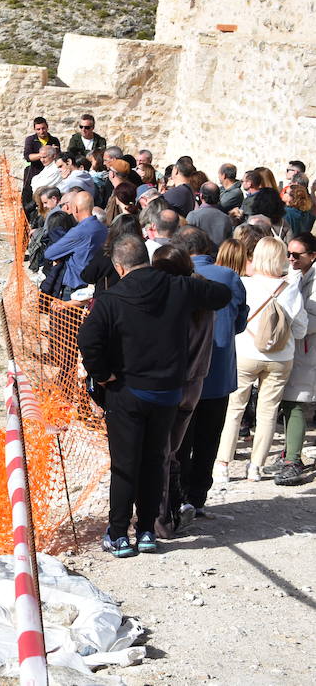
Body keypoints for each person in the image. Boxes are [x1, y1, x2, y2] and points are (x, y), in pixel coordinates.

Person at [78, 234, 230, 557]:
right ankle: (146, 531)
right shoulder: (178, 287)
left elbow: (88, 340)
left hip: (126, 392)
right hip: (167, 393)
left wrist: (104, 376)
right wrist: (188, 282)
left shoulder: (111, 298)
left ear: (120, 267)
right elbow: (221, 294)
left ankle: (119, 534)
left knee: (124, 465)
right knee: (154, 461)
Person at [215, 237, 310, 482]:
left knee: (234, 408)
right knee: (268, 413)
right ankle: (255, 468)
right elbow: (300, 330)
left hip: (246, 352)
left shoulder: (245, 283)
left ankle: (223, 464)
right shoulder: (290, 288)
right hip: (281, 357)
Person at [174, 229, 248, 522]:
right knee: (209, 438)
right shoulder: (230, 277)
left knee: (181, 440)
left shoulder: (178, 278)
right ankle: (198, 497)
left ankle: (178, 498)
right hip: (219, 373)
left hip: (184, 373)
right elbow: (240, 323)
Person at [150, 241, 216, 538]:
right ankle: (174, 510)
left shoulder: (173, 297)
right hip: (194, 384)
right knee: (172, 452)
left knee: (161, 455)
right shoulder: (202, 292)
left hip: (170, 384)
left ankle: (161, 519)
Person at [272, 232, 316, 484]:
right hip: (297, 348)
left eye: (297, 255)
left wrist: (285, 318)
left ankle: (293, 459)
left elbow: (310, 321)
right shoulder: (298, 274)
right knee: (290, 402)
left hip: (307, 349)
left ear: (312, 256)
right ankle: (289, 452)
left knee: (296, 402)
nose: (290, 258)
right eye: (288, 253)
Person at [41, 190, 106, 299]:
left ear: (75, 209)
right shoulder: (103, 228)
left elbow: (49, 253)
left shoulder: (78, 231)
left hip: (75, 285)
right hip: (94, 283)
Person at [82, 214, 145, 295]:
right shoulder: (142, 251)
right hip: (135, 298)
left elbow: (87, 275)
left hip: (106, 299)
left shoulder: (106, 252)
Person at [21, 117, 59, 210]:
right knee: (28, 200)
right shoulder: (30, 140)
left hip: (49, 173)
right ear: (35, 129)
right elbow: (28, 157)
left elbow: (57, 156)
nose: (41, 131)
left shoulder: (54, 140)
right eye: (38, 129)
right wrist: (45, 153)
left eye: (43, 128)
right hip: (33, 172)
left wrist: (53, 152)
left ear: (47, 127)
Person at [186, 182, 232, 249]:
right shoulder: (226, 218)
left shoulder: (193, 216)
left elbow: (186, 239)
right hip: (219, 256)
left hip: (198, 256)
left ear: (201, 196)